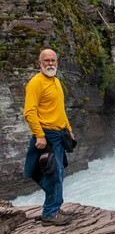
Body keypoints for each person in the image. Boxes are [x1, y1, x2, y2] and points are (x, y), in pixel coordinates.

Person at [23, 49, 74, 227]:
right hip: (47, 135)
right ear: (40, 63)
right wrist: (39, 135)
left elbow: (60, 109)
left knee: (58, 172)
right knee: (52, 173)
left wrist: (69, 129)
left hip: (59, 134)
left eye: (53, 60)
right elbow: (29, 112)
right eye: (46, 60)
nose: (50, 63)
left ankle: (55, 207)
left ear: (57, 62)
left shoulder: (57, 82)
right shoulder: (36, 83)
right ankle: (50, 213)